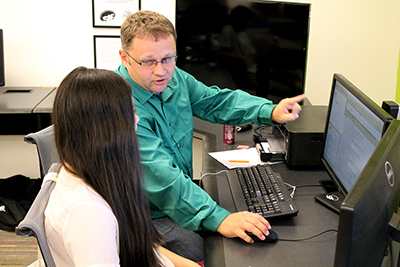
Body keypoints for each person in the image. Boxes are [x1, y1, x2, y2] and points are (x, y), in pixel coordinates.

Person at [116, 10, 307, 262]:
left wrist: (269, 110)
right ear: (124, 57)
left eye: (168, 58)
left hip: (173, 197)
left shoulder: (175, 80)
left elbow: (216, 102)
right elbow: (162, 179)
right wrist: (220, 219)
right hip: (146, 214)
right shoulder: (122, 106)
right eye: (149, 61)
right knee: (214, 253)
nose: (161, 71)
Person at [46, 66, 200, 267]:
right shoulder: (89, 214)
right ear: (107, 127)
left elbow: (138, 243)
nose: (137, 120)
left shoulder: (96, 173)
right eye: (132, 112)